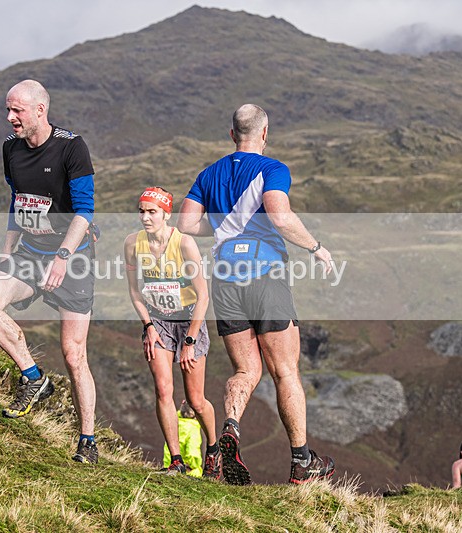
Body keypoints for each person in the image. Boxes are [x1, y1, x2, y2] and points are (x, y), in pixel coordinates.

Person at [177, 104, 335, 485]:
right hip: (265, 274)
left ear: (232, 134)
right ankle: (301, 462)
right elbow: (279, 217)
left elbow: (184, 225)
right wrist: (316, 248)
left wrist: (221, 228)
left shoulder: (209, 173)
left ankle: (230, 429)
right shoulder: (272, 169)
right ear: (265, 133)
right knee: (285, 371)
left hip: (226, 278)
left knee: (245, 370)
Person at [0, 79, 99, 464]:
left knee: (74, 354)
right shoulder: (10, 149)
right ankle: (33, 377)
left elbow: (85, 211)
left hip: (73, 257)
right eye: (8, 110)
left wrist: (63, 255)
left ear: (40, 110)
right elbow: (18, 201)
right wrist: (7, 251)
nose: (10, 118)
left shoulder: (71, 147)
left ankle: (87, 442)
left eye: (18, 111)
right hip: (30, 252)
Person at [124, 187, 222, 479]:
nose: (145, 217)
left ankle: (214, 449)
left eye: (152, 212)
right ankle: (175, 461)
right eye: (141, 211)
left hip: (189, 321)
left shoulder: (184, 244)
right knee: (163, 391)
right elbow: (134, 290)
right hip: (159, 323)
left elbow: (203, 296)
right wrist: (149, 327)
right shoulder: (132, 244)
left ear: (166, 214)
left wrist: (190, 341)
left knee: (195, 400)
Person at [163, 401, 204, 477]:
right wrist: (194, 465)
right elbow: (192, 452)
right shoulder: (193, 428)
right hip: (188, 472)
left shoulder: (173, 425)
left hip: (169, 467)